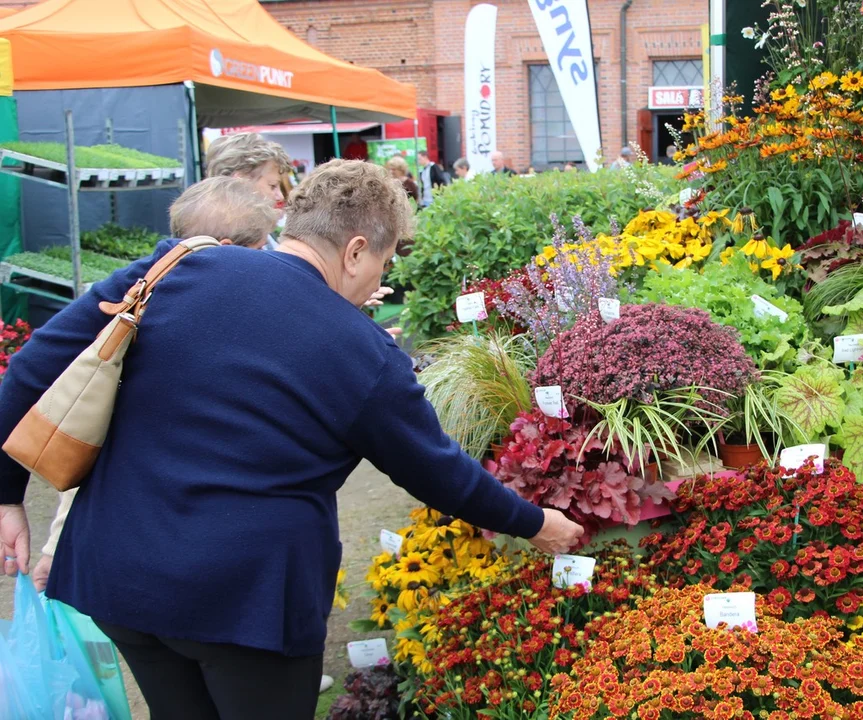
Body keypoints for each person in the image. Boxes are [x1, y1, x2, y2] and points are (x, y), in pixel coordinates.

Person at [0, 159, 584, 719]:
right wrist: (536, 524)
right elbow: (440, 474)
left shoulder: (179, 265)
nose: (379, 280)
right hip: (246, 599)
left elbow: (32, 368)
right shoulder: (364, 352)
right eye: (382, 263)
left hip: (118, 569)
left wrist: (7, 497)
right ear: (356, 250)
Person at [30, 176, 279, 592]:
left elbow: (32, 363)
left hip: (127, 531)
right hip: (180, 537)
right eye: (259, 249)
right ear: (228, 248)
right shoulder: (200, 294)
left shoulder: (142, 280)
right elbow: (35, 364)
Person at [205, 132, 291, 249]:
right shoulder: (237, 239)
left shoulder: (210, 225)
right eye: (272, 186)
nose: (280, 196)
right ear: (242, 182)